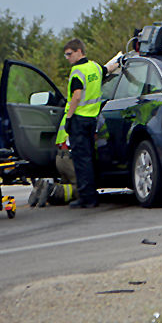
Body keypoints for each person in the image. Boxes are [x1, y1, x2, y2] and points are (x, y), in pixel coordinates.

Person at [62, 38, 106, 208]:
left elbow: (77, 96)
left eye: (69, 54)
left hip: (79, 119)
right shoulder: (94, 67)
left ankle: (86, 197)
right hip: (92, 118)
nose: (67, 58)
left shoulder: (77, 71)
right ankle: (91, 194)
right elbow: (107, 69)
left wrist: (68, 118)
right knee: (89, 157)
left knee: (81, 160)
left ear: (79, 52)